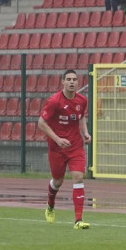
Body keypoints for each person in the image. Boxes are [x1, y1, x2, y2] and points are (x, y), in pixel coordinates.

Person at [38, 70, 91, 230]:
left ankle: (78, 220)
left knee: (78, 177)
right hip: (57, 149)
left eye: (74, 79)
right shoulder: (54, 101)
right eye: (68, 79)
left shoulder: (82, 100)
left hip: (75, 147)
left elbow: (81, 117)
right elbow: (41, 123)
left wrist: (85, 132)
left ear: (78, 82)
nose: (72, 82)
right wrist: (58, 139)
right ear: (63, 82)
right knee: (58, 181)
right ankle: (50, 204)